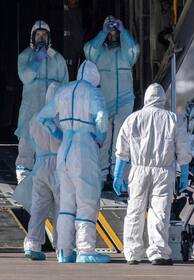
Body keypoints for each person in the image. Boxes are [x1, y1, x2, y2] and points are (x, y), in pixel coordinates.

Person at [38, 60, 110, 263]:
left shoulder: (64, 90)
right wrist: (100, 136)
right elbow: (102, 116)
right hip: (84, 147)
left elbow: (43, 117)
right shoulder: (93, 92)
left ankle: (64, 251)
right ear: (95, 77)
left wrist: (58, 132)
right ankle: (86, 250)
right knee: (87, 200)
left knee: (67, 204)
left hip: (65, 149)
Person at [113, 83, 191, 265]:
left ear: (146, 98)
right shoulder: (172, 119)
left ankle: (132, 253)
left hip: (138, 170)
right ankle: (158, 252)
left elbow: (121, 150)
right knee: (160, 211)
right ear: (163, 98)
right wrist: (184, 172)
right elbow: (183, 150)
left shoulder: (133, 119)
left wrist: (118, 175)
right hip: (163, 172)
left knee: (134, 210)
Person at [84, 15, 140, 180]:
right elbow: (89, 51)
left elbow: (134, 51)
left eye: (115, 31)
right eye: (110, 31)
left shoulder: (125, 52)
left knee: (121, 138)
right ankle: (102, 174)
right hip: (105, 100)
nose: (112, 34)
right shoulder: (99, 53)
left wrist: (124, 31)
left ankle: (118, 175)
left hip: (125, 100)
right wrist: (103, 32)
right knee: (104, 137)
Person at [16, 20, 69, 183]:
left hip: (51, 117)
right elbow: (25, 77)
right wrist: (37, 60)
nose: (41, 38)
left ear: (49, 37)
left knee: (50, 152)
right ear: (33, 36)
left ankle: (48, 188)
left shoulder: (58, 58)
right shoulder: (25, 56)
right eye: (38, 35)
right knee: (26, 151)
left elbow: (65, 86)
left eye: (44, 35)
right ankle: (23, 186)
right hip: (29, 113)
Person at [23, 83, 62, 260]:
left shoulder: (34, 118)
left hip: (40, 165)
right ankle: (63, 246)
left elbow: (29, 141)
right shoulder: (62, 117)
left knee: (38, 208)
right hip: (59, 165)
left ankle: (32, 244)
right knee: (63, 209)